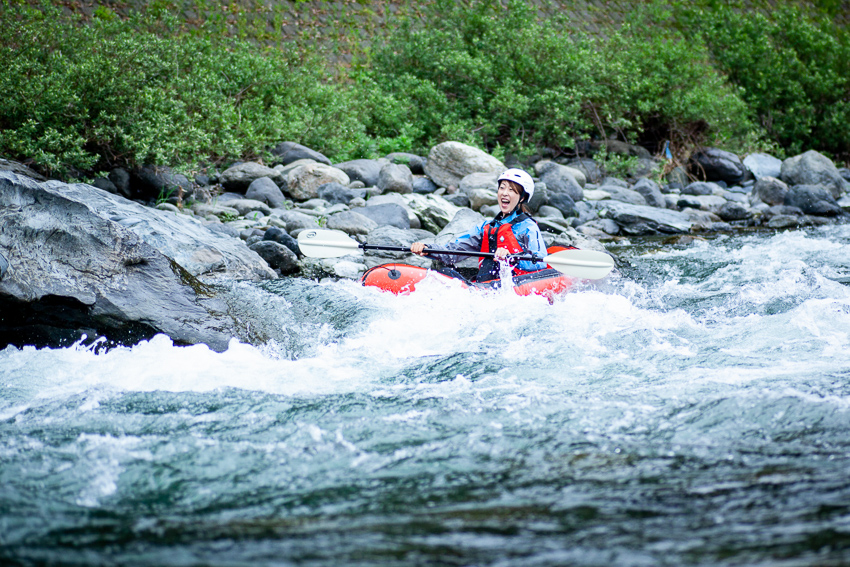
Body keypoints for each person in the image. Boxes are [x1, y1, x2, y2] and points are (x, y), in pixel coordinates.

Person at [410, 168, 549, 282]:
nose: (505, 193)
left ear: (522, 197)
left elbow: (540, 261)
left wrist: (512, 257)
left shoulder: (527, 227)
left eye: (512, 190)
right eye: (502, 188)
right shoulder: (486, 227)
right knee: (445, 273)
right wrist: (427, 249)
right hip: (486, 287)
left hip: (516, 285)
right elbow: (452, 252)